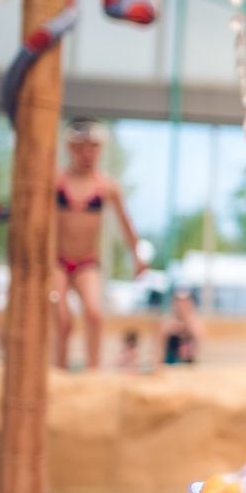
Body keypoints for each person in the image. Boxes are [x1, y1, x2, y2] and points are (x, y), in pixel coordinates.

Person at [53, 118, 147, 369]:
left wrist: (137, 256)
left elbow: (126, 224)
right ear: (70, 148)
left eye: (93, 148)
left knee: (95, 315)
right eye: (82, 148)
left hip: (86, 263)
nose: (88, 154)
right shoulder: (56, 182)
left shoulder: (106, 186)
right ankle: (59, 371)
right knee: (62, 320)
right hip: (57, 262)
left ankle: (92, 372)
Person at [158, 289, 202, 365]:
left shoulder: (195, 323)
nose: (181, 305)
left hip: (188, 364)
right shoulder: (168, 322)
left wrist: (187, 320)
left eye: (185, 302)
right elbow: (160, 345)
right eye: (179, 302)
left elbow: (199, 342)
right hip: (170, 362)